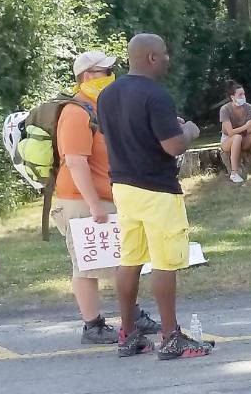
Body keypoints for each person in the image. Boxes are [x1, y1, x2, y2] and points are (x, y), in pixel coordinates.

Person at [98, 33, 212, 360]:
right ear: (150, 58)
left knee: (130, 259)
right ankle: (171, 336)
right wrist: (188, 129)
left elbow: (116, 133)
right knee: (165, 262)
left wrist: (162, 127)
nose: (167, 59)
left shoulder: (108, 95)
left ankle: (128, 332)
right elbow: (173, 146)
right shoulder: (156, 95)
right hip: (157, 189)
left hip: (123, 186)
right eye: (163, 54)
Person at [54, 51, 160, 344]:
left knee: (121, 258)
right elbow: (76, 162)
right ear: (88, 76)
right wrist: (93, 205)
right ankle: (93, 325)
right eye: (106, 71)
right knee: (86, 264)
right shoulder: (76, 112)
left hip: (107, 195)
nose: (113, 75)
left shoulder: (98, 106)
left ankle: (132, 314)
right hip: (80, 199)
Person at [220, 80, 251, 183]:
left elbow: (250, 131)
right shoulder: (225, 109)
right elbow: (231, 132)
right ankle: (234, 173)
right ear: (233, 97)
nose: (243, 96)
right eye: (240, 94)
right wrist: (245, 126)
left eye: (244, 94)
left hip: (244, 138)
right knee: (237, 137)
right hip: (228, 140)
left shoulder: (249, 107)